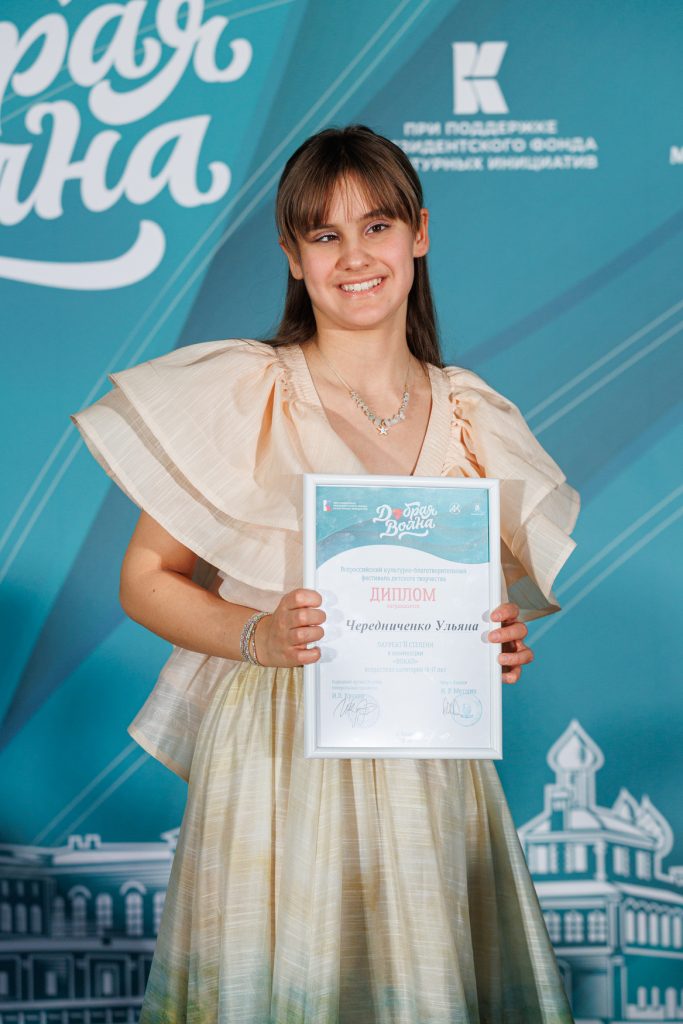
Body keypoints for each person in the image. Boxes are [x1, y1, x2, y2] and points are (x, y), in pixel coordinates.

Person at [70, 124, 579, 1023]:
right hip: (277, 742)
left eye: (377, 227)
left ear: (418, 234)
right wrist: (256, 635)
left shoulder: (472, 417)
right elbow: (144, 577)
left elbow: (469, 606)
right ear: (292, 256)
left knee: (420, 988)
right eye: (324, 234)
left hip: (425, 752)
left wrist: (492, 639)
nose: (354, 257)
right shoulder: (246, 391)